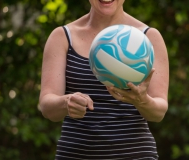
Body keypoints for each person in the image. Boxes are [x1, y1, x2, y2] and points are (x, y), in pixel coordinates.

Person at [39, 0, 169, 159]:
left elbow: (159, 112)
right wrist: (66, 102)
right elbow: (47, 106)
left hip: (135, 154)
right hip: (75, 154)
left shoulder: (148, 37)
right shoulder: (63, 37)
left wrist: (142, 100)